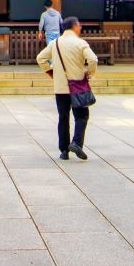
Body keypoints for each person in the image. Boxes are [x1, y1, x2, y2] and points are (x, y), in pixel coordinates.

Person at [36, 16, 98, 160]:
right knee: (81, 116)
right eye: (79, 25)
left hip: (60, 87)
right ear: (75, 26)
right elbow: (93, 59)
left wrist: (50, 71)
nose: (80, 28)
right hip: (77, 86)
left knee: (63, 117)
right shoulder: (80, 43)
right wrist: (90, 73)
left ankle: (64, 150)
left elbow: (40, 58)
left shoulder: (55, 43)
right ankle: (76, 143)